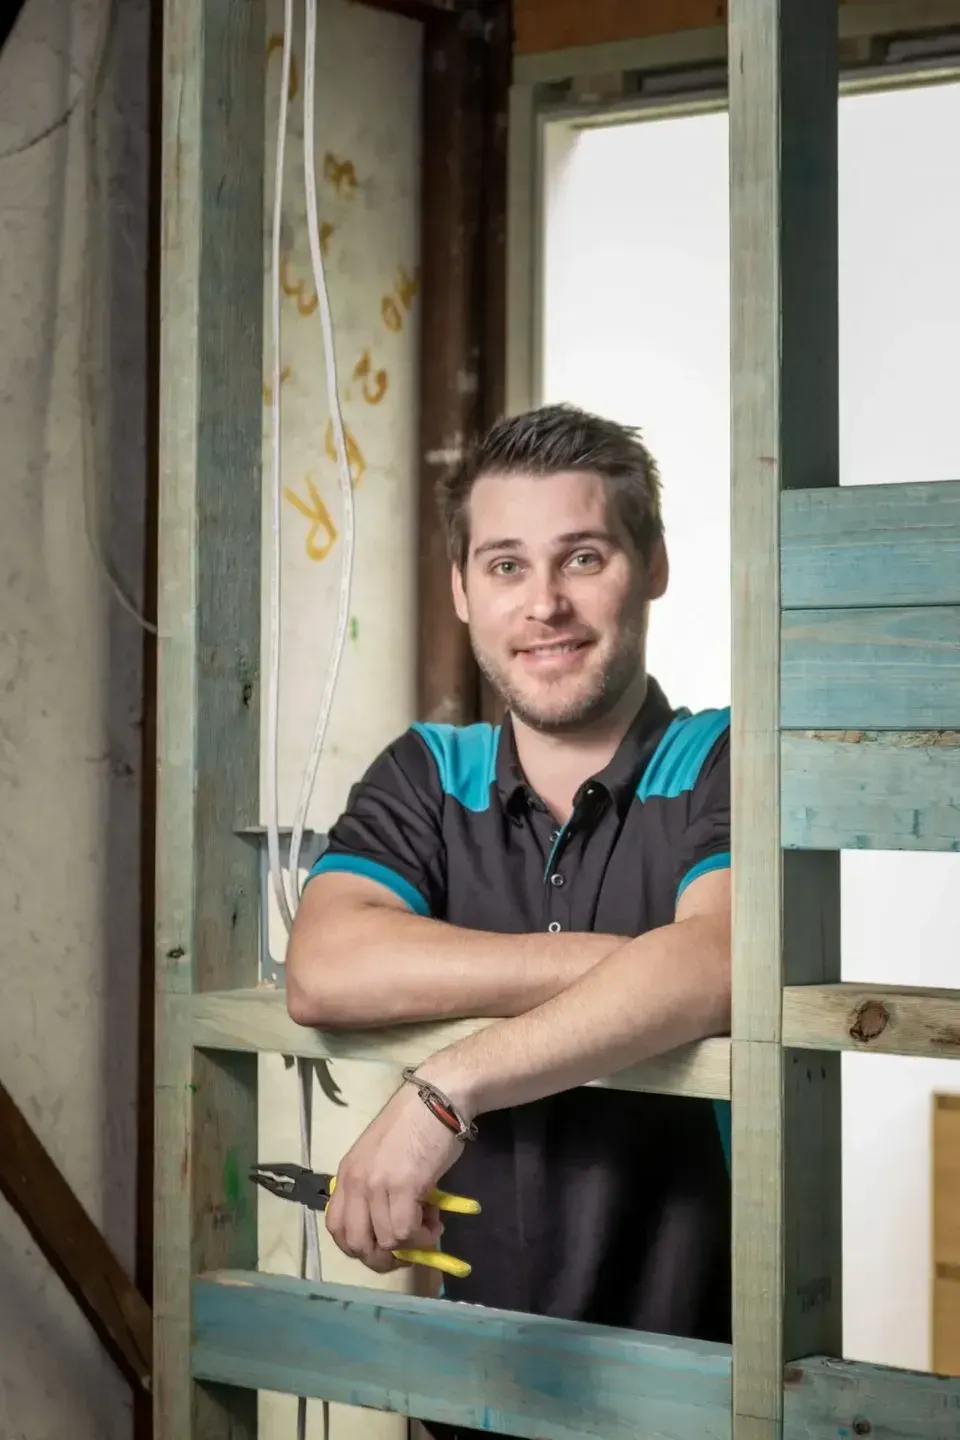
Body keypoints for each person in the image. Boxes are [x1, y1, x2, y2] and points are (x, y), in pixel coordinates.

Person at [286, 403, 731, 1438]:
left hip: (698, 1393)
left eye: (584, 557)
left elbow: (720, 959)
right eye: (505, 565)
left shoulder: (723, 760)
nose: (544, 604)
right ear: (462, 589)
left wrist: (442, 1091)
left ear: (654, 566)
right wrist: (625, 965)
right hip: (469, 1396)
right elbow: (324, 966)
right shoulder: (429, 775)